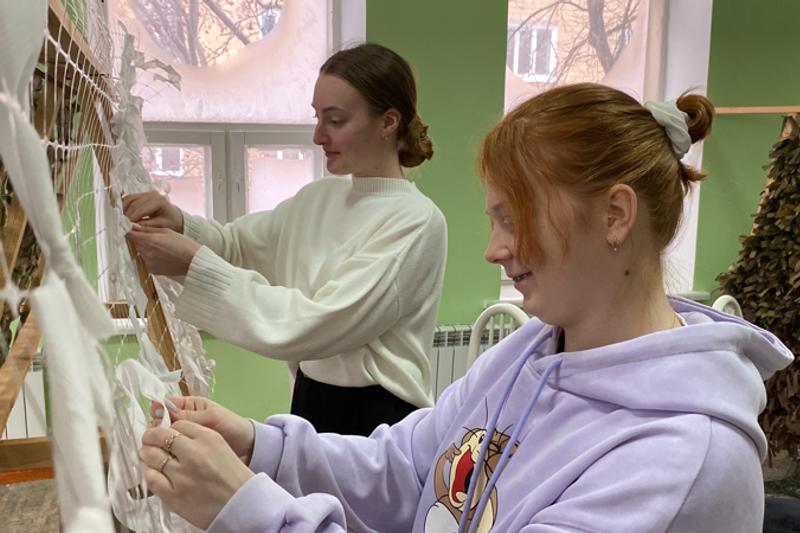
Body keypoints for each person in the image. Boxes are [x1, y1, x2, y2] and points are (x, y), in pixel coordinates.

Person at [138, 83, 794, 532]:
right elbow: (408, 466)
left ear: (615, 215)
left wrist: (249, 509)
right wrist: (261, 447)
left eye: (513, 218)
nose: (493, 249)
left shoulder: (681, 457)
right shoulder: (528, 350)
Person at [124, 43, 448, 436]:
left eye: (336, 120)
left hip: (378, 422)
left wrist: (194, 266)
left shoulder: (415, 221)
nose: (318, 136)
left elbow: (319, 323)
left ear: (388, 122)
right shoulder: (317, 199)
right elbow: (236, 246)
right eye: (317, 117)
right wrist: (180, 224)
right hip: (311, 401)